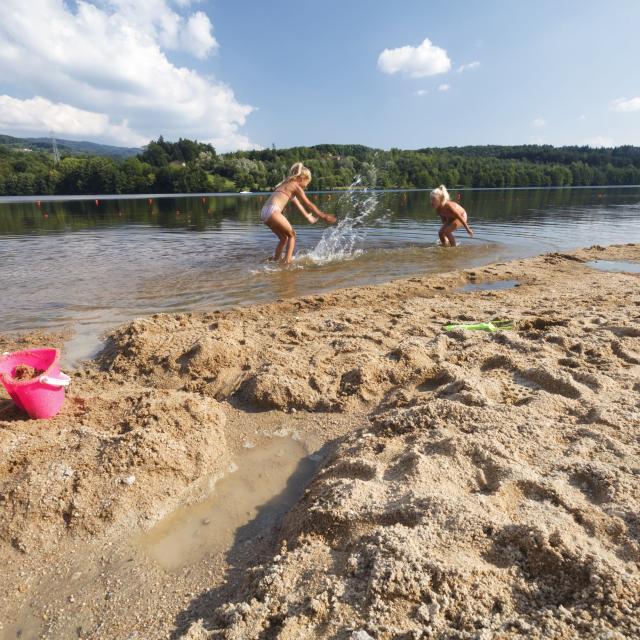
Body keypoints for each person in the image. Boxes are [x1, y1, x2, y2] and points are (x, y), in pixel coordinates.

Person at [260, 163, 336, 264]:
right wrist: (323, 215)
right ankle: (288, 261)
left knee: (284, 239)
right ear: (301, 178)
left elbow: (298, 204)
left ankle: (275, 259)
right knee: (292, 235)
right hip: (273, 211)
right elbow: (308, 203)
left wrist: (307, 216)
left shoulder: (286, 184)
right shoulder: (295, 186)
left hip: (264, 212)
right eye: (307, 183)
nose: (306, 186)